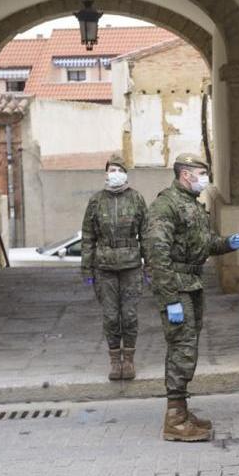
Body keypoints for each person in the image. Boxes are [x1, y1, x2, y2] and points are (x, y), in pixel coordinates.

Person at [145, 153, 239, 442]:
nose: (205, 179)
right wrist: (169, 298)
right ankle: (174, 420)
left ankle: (182, 412)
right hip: (177, 286)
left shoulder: (190, 205)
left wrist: (227, 243)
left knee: (187, 348)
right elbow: (157, 255)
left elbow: (204, 244)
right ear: (185, 175)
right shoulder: (166, 206)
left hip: (192, 283)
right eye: (201, 174)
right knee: (181, 349)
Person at [80, 153, 148, 381]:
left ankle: (128, 360)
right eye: (112, 170)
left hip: (130, 266)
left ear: (126, 173)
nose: (115, 174)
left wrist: (150, 266)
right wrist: (87, 269)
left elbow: (146, 235)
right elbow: (88, 236)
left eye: (119, 169)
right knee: (110, 316)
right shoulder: (96, 201)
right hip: (104, 267)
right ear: (106, 173)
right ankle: (114, 360)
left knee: (129, 315)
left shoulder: (136, 199)